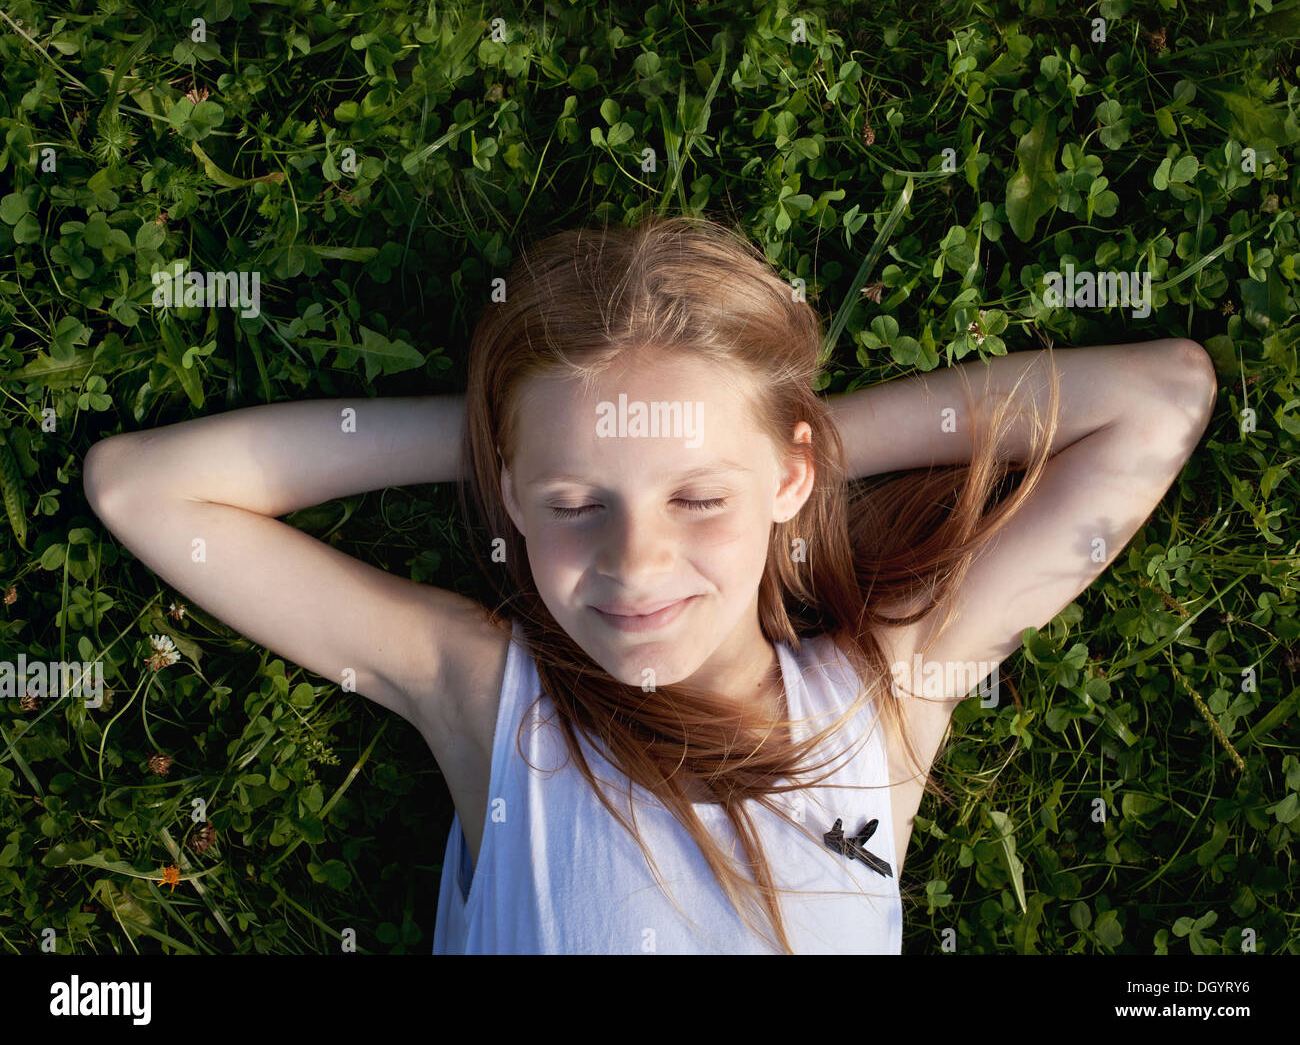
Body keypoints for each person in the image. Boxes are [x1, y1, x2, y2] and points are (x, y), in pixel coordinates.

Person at [82, 214, 1218, 954]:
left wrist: (783, 436)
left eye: (698, 498)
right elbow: (143, 489)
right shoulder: (491, 697)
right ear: (514, 499)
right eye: (579, 504)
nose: (635, 564)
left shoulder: (882, 698)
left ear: (787, 477)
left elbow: (1162, 399)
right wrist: (503, 446)